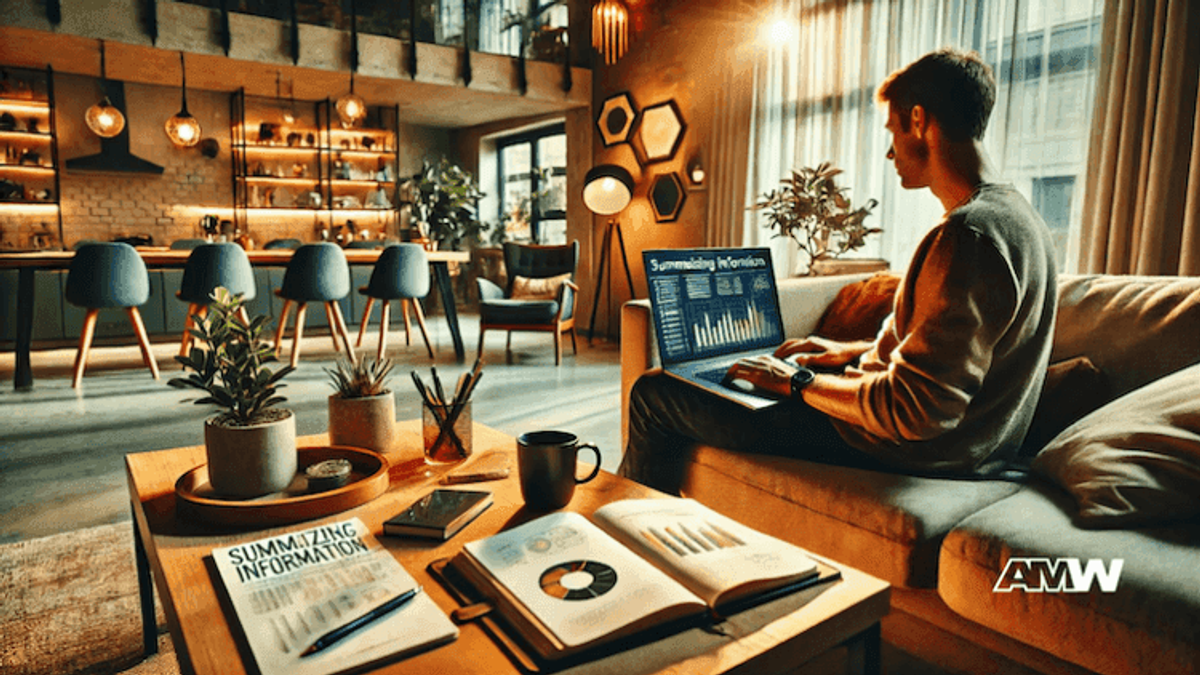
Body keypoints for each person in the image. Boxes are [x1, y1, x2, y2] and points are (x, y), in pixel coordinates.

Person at [618, 48, 1059, 495]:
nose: (889, 152)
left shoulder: (968, 236)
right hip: (964, 448)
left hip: (905, 451)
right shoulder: (1020, 219)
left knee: (655, 393)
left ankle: (620, 527)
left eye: (893, 130)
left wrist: (798, 382)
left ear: (920, 121)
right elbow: (953, 356)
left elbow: (915, 411)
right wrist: (847, 352)